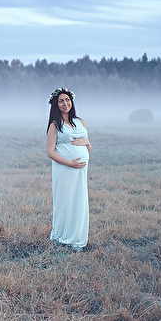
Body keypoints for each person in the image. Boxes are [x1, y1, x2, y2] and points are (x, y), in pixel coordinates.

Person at [45, 87, 92, 250]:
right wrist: (69, 163)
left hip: (80, 170)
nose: (65, 103)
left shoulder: (80, 122)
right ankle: (62, 235)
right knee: (65, 201)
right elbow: (50, 152)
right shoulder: (54, 125)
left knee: (79, 200)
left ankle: (77, 236)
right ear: (56, 105)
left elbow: (88, 146)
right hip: (64, 169)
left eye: (67, 100)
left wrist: (86, 142)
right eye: (61, 101)